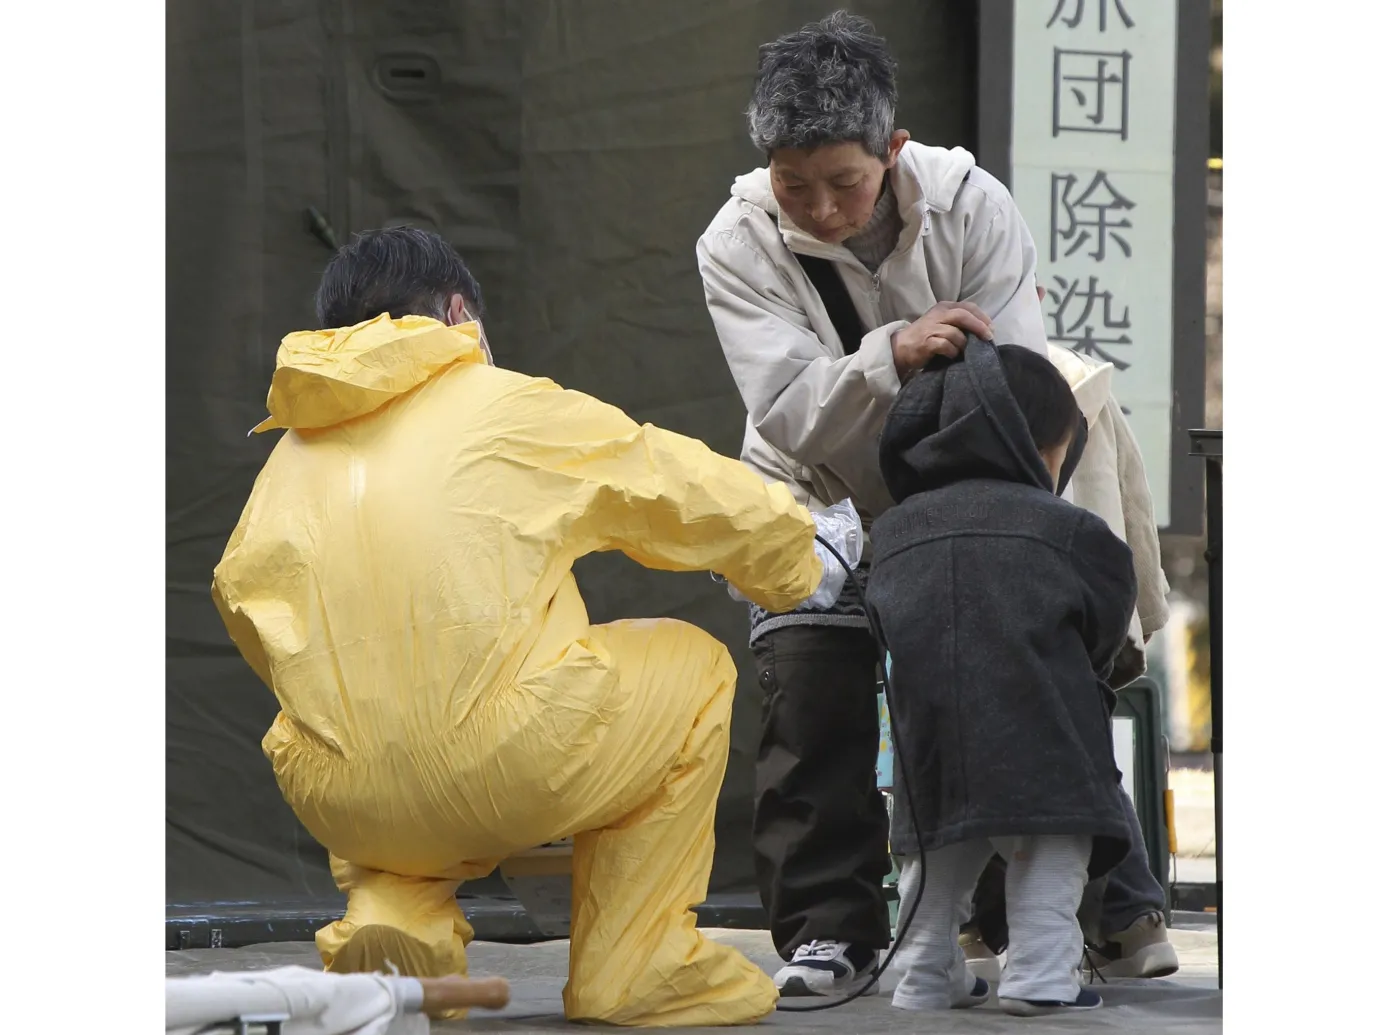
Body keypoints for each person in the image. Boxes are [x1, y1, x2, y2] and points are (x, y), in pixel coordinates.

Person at [210, 226, 861, 1027]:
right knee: (690, 667)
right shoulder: (505, 405)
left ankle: (394, 925)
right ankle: (637, 965)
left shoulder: (284, 464)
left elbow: (246, 608)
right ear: (459, 315)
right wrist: (801, 554)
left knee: (367, 739)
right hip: (505, 754)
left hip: (343, 796)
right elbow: (670, 482)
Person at [696, 10, 1175, 996]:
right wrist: (897, 352)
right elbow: (787, 409)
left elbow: (1015, 388)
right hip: (813, 490)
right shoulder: (736, 241)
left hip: (974, 481)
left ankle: (1093, 915)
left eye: (844, 183)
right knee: (809, 678)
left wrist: (963, 520)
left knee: (1022, 667)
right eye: (796, 186)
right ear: (765, 169)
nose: (821, 209)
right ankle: (830, 932)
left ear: (893, 151)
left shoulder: (972, 205)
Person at [867, 341, 1134, 1016]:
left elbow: (883, 624)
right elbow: (1106, 620)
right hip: (1044, 730)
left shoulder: (895, 532)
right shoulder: (1067, 528)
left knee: (937, 863)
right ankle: (1041, 973)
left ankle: (925, 976)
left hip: (930, 738)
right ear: (1032, 442)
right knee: (1049, 845)